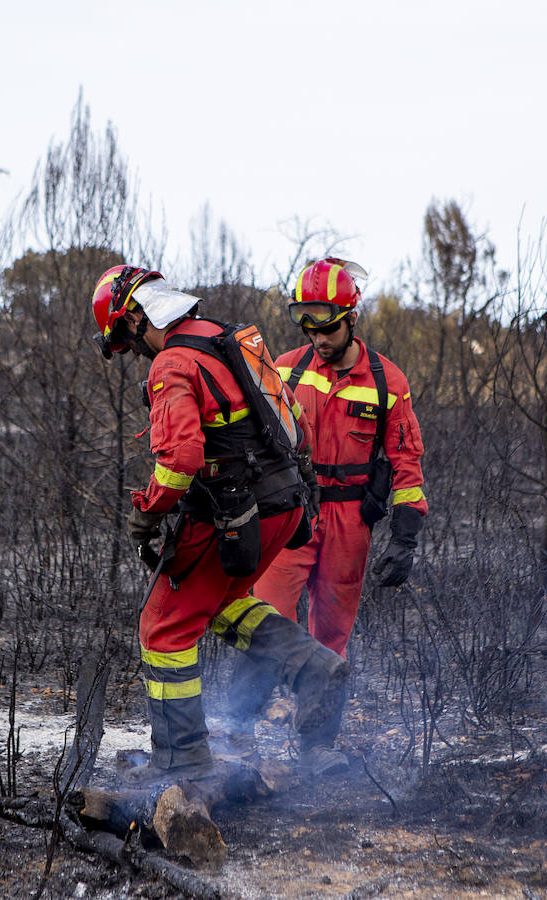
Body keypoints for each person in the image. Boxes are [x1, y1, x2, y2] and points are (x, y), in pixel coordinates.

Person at [90, 263, 349, 781]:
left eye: (124, 336)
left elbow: (182, 458)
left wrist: (147, 513)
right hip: (284, 506)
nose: (131, 350)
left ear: (139, 318)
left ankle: (182, 761)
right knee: (225, 602)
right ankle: (312, 666)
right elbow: (294, 419)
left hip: (232, 515)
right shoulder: (230, 337)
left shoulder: (171, 363)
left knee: (162, 628)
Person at [241, 257, 428, 776]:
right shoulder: (285, 368)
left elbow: (406, 460)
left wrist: (405, 535)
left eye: (327, 325)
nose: (318, 337)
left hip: (350, 521)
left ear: (350, 317)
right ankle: (236, 730)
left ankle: (316, 744)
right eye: (308, 323)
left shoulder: (388, 382)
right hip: (294, 511)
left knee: (332, 634)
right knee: (266, 618)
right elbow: (253, 438)